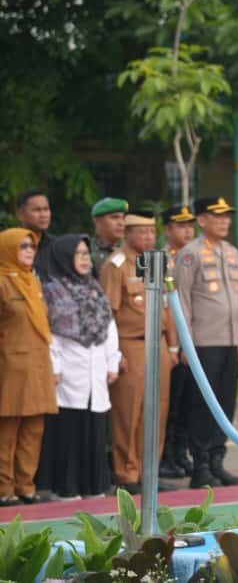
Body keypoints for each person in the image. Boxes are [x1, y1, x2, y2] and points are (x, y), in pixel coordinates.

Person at [36, 235, 120, 500]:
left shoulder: (94, 287)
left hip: (96, 372)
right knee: (69, 433)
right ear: (63, 258)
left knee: (94, 431)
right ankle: (66, 488)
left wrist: (112, 361)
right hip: (67, 373)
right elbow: (50, 335)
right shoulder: (51, 290)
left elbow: (109, 326)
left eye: (87, 254)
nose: (85, 259)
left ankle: (94, 487)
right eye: (78, 254)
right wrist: (54, 366)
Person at [99, 212, 177, 494]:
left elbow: (168, 306)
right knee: (128, 413)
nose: (148, 238)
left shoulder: (157, 262)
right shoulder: (116, 264)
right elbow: (108, 312)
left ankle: (150, 472)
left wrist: (173, 345)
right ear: (128, 234)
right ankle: (126, 473)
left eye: (151, 232)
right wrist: (113, 352)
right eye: (141, 232)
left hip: (158, 345)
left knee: (158, 410)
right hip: (129, 345)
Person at [172, 197, 238, 487]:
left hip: (228, 341)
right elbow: (183, 300)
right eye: (217, 217)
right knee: (203, 404)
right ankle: (200, 464)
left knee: (226, 402)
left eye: (227, 216)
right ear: (201, 221)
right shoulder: (189, 254)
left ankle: (218, 460)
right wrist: (184, 344)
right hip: (202, 342)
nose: (224, 221)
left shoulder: (231, 252)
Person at [0, 229, 57, 506]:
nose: (29, 251)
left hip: (37, 365)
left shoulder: (32, 282)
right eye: (23, 246)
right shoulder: (2, 282)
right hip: (9, 366)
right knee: (7, 431)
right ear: (8, 248)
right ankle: (4, 489)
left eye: (32, 246)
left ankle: (26, 486)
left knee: (34, 430)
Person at [159, 205, 196, 479]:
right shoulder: (163, 260)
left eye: (189, 225)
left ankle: (181, 452)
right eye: (180, 225)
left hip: (193, 339)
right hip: (172, 341)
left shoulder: (194, 257)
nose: (187, 230)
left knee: (187, 403)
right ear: (168, 230)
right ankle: (166, 456)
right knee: (169, 404)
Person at [15, 190, 54, 281]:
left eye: (46, 209)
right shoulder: (10, 246)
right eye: (37, 210)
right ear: (20, 214)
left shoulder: (57, 246)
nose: (43, 215)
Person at [90, 197, 129, 272]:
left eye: (123, 218)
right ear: (97, 222)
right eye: (115, 217)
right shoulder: (86, 251)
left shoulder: (131, 250)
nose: (121, 223)